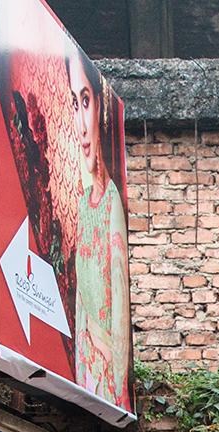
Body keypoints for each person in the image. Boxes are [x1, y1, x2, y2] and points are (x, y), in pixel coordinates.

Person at [66, 47, 127, 405]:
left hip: (106, 372)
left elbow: (118, 305)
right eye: (74, 104)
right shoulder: (81, 205)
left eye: (85, 100)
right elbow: (80, 308)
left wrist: (117, 386)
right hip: (87, 369)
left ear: (101, 106)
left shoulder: (111, 203)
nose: (81, 124)